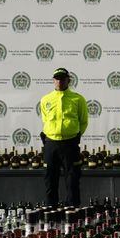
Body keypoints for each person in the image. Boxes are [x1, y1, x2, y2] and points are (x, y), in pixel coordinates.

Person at [38, 67, 88, 208]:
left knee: (72, 180)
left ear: (68, 80)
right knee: (49, 179)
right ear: (53, 80)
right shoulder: (45, 100)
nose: (59, 81)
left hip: (70, 145)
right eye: (57, 79)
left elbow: (83, 121)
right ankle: (51, 209)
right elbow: (45, 119)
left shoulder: (78, 99)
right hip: (51, 144)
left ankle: (73, 211)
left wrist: (72, 135)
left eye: (62, 78)